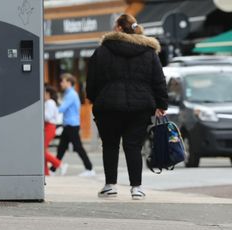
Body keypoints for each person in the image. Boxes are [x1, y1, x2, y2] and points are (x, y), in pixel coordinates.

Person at [86, 14, 168, 200]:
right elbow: (159, 80)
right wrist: (161, 104)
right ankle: (136, 188)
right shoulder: (148, 53)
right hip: (140, 107)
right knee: (133, 146)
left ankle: (110, 185)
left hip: (108, 106)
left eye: (115, 25)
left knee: (110, 145)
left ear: (120, 28)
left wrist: (93, 97)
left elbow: (92, 79)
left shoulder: (102, 51)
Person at [57, 73, 95, 177]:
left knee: (78, 147)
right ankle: (53, 168)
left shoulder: (71, 94)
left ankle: (89, 168)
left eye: (63, 81)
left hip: (72, 125)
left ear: (69, 82)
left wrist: (54, 107)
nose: (61, 83)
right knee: (61, 148)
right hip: (69, 125)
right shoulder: (69, 93)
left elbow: (61, 109)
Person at [44, 86, 68, 176]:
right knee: (43, 151)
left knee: (41, 152)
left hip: (49, 127)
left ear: (48, 94)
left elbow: (48, 117)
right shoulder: (50, 102)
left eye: (45, 93)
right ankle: (46, 173)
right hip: (49, 127)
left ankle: (60, 164)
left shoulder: (50, 102)